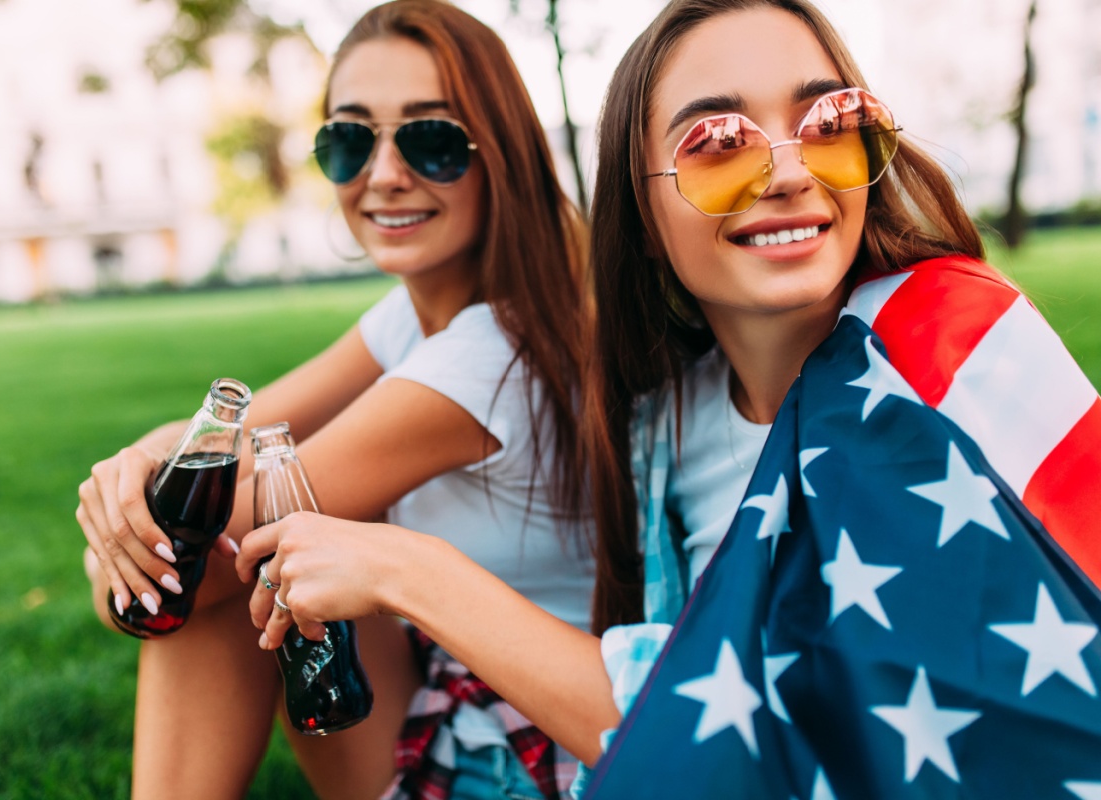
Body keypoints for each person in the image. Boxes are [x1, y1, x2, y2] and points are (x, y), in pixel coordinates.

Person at [239, 0, 1101, 796]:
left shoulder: (951, 342)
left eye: (830, 125)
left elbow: (744, 724)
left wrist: (407, 570)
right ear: (643, 223)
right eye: (718, 144)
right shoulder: (659, 429)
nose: (792, 172)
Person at [75, 1, 594, 797]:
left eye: (432, 139)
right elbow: (236, 435)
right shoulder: (421, 315)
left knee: (250, 561)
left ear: (505, 154)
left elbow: (181, 582)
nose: (384, 174)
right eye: (350, 140)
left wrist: (125, 541)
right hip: (456, 694)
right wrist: (141, 465)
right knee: (251, 537)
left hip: (532, 752)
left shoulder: (492, 352)